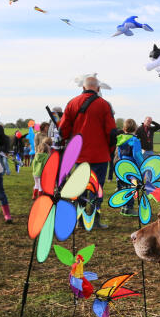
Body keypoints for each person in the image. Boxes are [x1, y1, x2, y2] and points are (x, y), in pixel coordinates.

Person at [59, 76, 117, 228]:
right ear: (98, 89)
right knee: (97, 188)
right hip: (100, 155)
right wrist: (110, 150)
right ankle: (94, 220)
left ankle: (79, 220)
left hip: (79, 154)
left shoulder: (72, 103)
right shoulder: (104, 105)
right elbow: (111, 133)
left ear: (83, 88)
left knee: (80, 188)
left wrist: (68, 139)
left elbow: (62, 130)